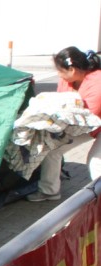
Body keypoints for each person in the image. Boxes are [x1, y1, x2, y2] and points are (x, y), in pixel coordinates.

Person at [27, 46, 101, 202]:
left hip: (91, 122)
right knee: (53, 150)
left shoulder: (97, 82)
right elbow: (62, 107)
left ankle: (98, 199)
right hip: (83, 124)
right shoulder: (65, 82)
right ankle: (49, 191)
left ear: (72, 70)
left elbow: (89, 117)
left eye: (61, 71)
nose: (59, 75)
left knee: (95, 161)